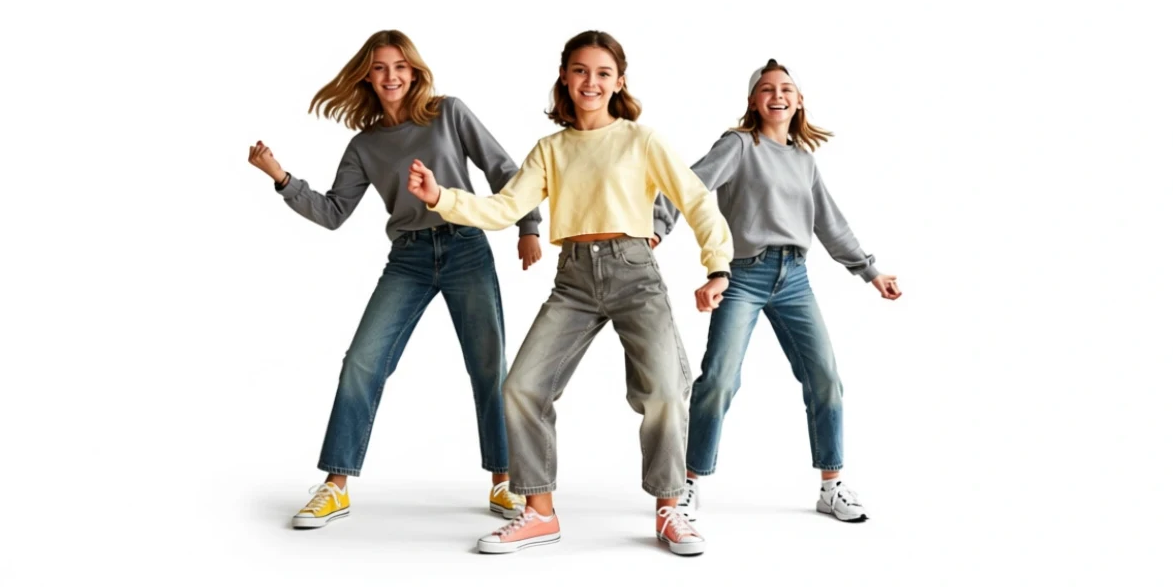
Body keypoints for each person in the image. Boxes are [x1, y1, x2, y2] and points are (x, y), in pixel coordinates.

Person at [407, 30, 732, 556]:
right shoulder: (551, 149)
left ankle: (669, 509)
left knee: (665, 390)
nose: (591, 82)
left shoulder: (641, 140)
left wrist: (718, 267)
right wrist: (440, 196)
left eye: (603, 73)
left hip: (635, 273)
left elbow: (696, 200)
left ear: (619, 81)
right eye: (580, 70)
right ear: (564, 76)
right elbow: (505, 208)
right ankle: (539, 513)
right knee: (522, 386)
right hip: (574, 279)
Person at [246, 30, 542, 529]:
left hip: (466, 246)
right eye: (380, 67)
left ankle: (504, 478)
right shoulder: (365, 146)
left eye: (400, 66)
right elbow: (333, 212)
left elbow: (503, 170)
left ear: (414, 71)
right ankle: (335, 486)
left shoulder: (449, 113)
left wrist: (527, 227)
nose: (391, 76)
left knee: (488, 365)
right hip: (408, 258)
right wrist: (282, 178)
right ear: (367, 75)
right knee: (362, 362)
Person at [653, 59, 902, 525]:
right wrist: (656, 226)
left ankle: (831, 486)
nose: (777, 95)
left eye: (786, 88)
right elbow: (690, 185)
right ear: (753, 101)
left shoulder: (804, 161)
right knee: (719, 380)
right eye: (766, 89)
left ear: (799, 100)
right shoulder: (738, 145)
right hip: (744, 276)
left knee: (825, 377)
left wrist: (870, 271)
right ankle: (686, 482)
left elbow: (829, 223)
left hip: (795, 279)